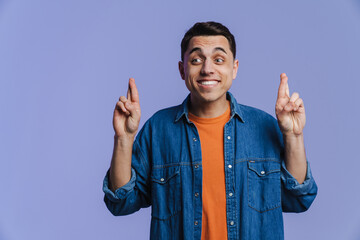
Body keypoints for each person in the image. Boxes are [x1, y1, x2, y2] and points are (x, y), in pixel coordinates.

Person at [102, 21, 317, 240]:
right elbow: (120, 202)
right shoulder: (158, 129)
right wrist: (123, 138)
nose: (207, 69)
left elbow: (299, 198)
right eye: (196, 60)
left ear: (234, 69)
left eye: (218, 59)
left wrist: (294, 136)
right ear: (182, 69)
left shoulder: (265, 126)